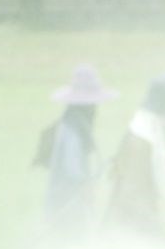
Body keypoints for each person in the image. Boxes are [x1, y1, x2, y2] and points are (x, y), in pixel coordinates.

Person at [105, 75, 165, 241]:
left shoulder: (147, 132)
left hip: (135, 226)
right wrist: (163, 233)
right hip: (129, 232)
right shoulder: (141, 142)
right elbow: (132, 199)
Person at [34, 65, 114, 239]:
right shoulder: (72, 130)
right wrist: (86, 186)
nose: (95, 108)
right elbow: (73, 170)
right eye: (93, 104)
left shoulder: (73, 123)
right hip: (66, 209)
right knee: (68, 246)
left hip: (65, 207)